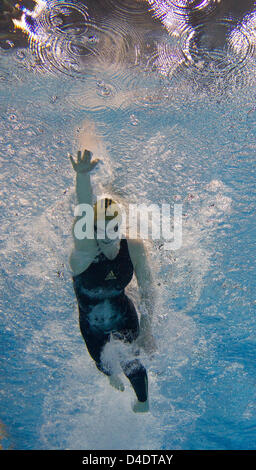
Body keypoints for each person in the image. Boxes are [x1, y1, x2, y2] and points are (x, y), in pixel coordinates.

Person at [69, 149, 156, 413]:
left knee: (135, 365)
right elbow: (84, 210)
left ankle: (142, 404)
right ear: (92, 231)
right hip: (92, 324)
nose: (108, 238)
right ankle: (110, 376)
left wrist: (148, 329)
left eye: (114, 231)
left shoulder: (134, 247)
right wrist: (82, 176)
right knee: (104, 365)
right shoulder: (84, 254)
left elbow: (149, 289)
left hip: (123, 313)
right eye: (101, 232)